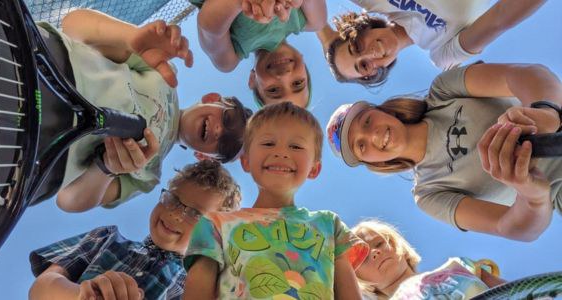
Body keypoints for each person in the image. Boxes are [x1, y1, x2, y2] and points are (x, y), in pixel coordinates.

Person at [33, 9, 252, 212]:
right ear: (212, 98)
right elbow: (75, 25)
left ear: (205, 156)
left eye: (227, 145)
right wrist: (130, 38)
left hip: (33, 152)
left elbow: (69, 200)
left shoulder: (148, 176)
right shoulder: (164, 74)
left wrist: (107, 167)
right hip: (40, 64)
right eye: (230, 119)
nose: (220, 131)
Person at [326, 62, 562, 241]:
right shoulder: (428, 194)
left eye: (366, 121)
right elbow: (512, 228)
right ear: (372, 163)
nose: (373, 135)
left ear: (381, 110)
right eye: (361, 146)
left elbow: (522, 74)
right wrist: (533, 195)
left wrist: (549, 113)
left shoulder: (443, 91)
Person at [182, 102, 369, 299]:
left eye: (295, 146)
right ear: (246, 160)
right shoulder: (215, 225)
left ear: (314, 169)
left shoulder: (330, 225)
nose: (281, 152)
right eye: (268, 143)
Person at [28, 160, 242, 300]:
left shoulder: (198, 288)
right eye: (174, 199)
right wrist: (83, 295)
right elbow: (41, 288)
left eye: (196, 214)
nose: (176, 214)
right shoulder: (105, 238)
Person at [316, 0, 546, 87]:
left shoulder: (375, 2)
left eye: (356, 47)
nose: (370, 54)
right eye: (364, 66)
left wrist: (320, 29)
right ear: (377, 71)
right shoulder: (442, 54)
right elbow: (500, 18)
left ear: (357, 30)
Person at [190, 0, 327, 107]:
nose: (284, 76)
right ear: (304, 64)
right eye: (297, 83)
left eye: (273, 90)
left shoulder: (229, 59)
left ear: (252, 80)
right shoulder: (315, 20)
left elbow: (208, 26)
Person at [353, 220, 505, 299]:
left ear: (398, 246)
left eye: (379, 243)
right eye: (364, 257)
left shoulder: (458, 267)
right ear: (359, 280)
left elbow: (517, 290)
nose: (375, 252)